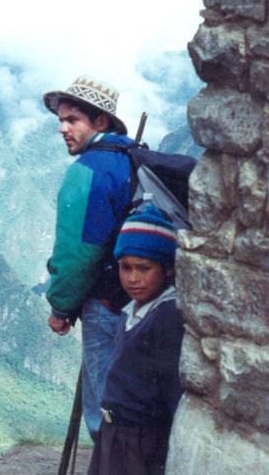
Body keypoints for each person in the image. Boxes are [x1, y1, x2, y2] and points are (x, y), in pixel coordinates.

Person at [42, 75, 136, 441]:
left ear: (100, 122)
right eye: (60, 120)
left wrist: (60, 308)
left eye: (72, 119)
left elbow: (78, 253)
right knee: (134, 402)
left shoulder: (87, 171)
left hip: (106, 303)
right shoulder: (134, 158)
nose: (63, 128)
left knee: (102, 410)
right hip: (145, 302)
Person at [89, 204, 184, 475]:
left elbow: (173, 392)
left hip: (140, 444)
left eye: (144, 268)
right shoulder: (132, 312)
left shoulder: (166, 318)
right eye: (125, 267)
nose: (133, 278)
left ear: (167, 270)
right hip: (114, 436)